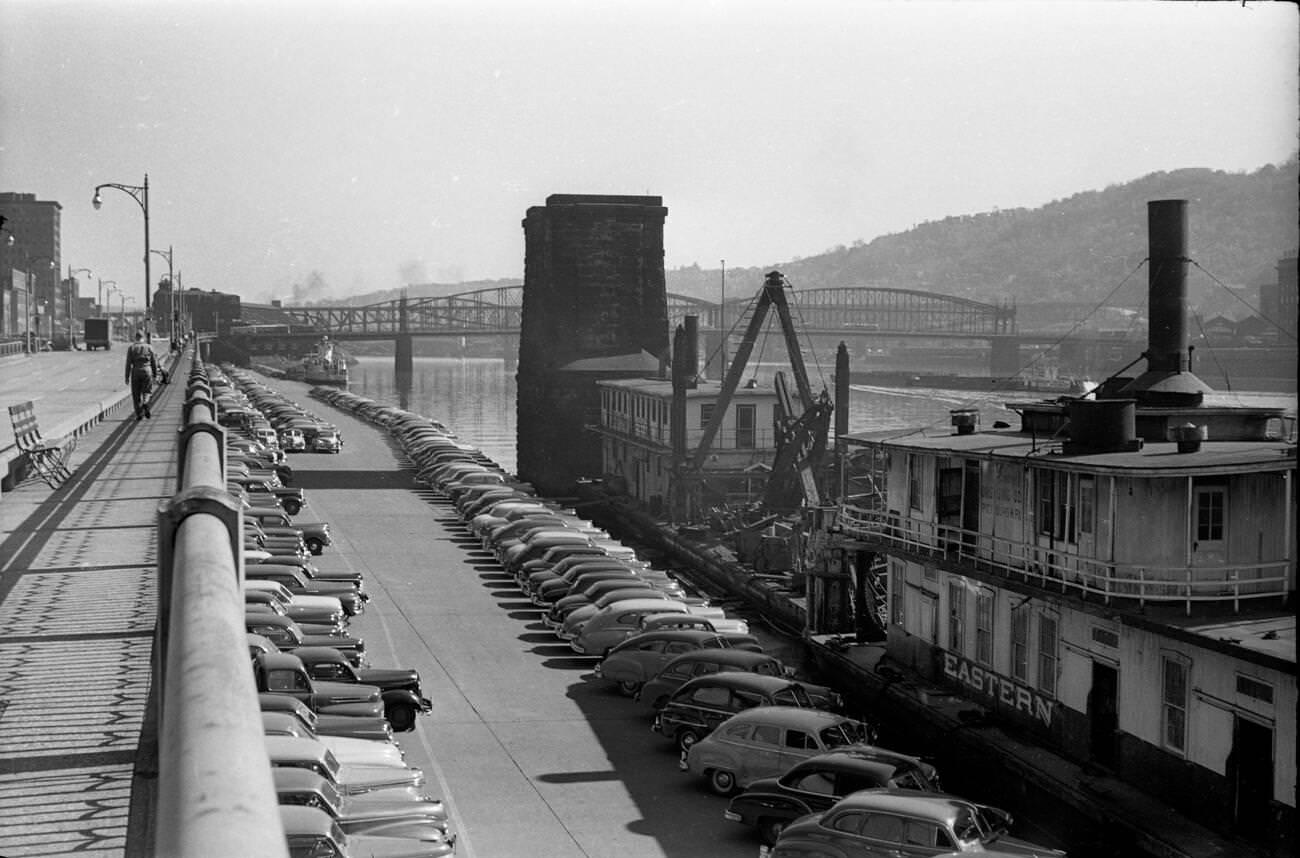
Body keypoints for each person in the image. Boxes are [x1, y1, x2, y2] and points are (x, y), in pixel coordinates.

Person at [124, 331, 159, 420]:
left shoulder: (131, 348)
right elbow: (154, 362)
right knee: (147, 391)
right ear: (143, 338)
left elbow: (128, 364)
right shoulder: (149, 347)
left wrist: (127, 377)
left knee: (136, 394)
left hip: (135, 371)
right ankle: (145, 402)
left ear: (135, 338)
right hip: (147, 370)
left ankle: (139, 414)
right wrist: (155, 374)